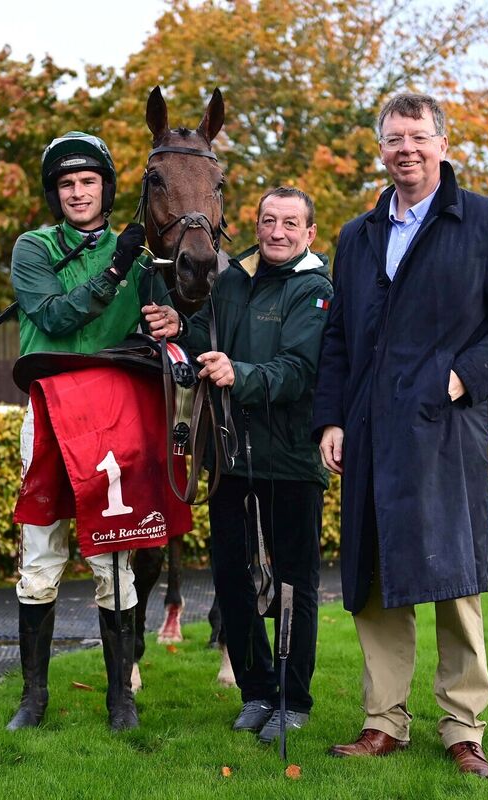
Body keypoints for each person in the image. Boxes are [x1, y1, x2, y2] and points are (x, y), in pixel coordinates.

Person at [312, 93, 488, 778]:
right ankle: (383, 722)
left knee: (453, 581)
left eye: (417, 136)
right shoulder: (357, 237)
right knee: (376, 580)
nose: (405, 149)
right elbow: (338, 339)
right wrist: (332, 417)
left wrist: (461, 378)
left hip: (443, 433)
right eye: (393, 138)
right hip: (368, 432)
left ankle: (462, 727)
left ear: (443, 143)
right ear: (380, 150)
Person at [145, 187, 332, 744]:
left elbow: (298, 370)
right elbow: (210, 336)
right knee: (230, 577)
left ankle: (292, 699)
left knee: (294, 584)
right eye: (268, 220)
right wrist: (181, 328)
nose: (277, 231)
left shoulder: (315, 290)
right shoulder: (233, 279)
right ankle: (255, 691)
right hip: (230, 458)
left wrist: (240, 374)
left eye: (290, 223)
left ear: (309, 234)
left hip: (291, 460)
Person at [7, 131, 162, 732]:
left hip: (113, 417)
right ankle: (34, 697)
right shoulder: (33, 247)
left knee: (114, 557)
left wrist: (168, 314)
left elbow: (163, 328)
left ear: (106, 188)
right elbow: (54, 315)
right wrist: (119, 263)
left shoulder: (144, 258)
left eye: (88, 182)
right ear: (55, 193)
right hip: (48, 409)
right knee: (41, 555)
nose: (77, 192)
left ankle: (120, 697)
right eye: (67, 184)